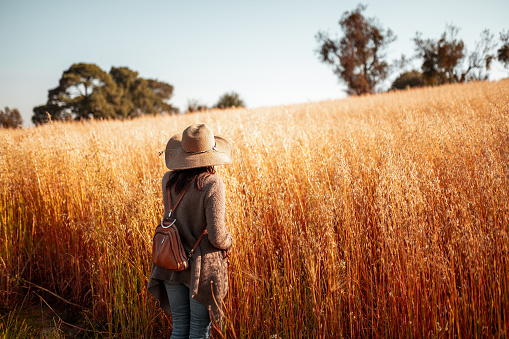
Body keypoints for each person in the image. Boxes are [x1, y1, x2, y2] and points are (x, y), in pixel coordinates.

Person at [148, 124, 233, 338]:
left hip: (170, 261)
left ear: (183, 153)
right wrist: (229, 241)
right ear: (211, 154)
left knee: (179, 328)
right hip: (200, 269)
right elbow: (216, 236)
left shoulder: (168, 180)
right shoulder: (212, 183)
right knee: (198, 330)